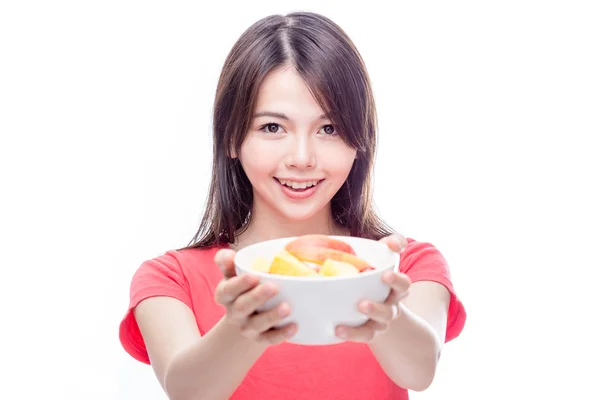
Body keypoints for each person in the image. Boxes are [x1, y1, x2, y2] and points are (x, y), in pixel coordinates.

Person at [119, 11, 466, 400]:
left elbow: (420, 370)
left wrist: (386, 310)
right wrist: (242, 325)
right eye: (272, 128)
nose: (301, 157)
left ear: (359, 140)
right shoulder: (170, 278)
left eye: (328, 128)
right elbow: (186, 391)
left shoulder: (406, 266)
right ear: (232, 138)